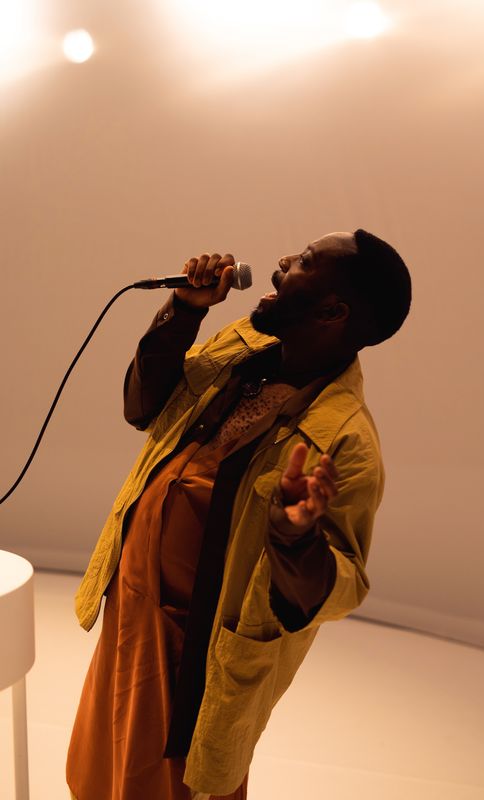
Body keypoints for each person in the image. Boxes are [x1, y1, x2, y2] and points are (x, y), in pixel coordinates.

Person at [66, 229, 411, 800]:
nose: (282, 262)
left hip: (195, 654)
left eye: (304, 261)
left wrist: (295, 538)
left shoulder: (347, 442)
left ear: (333, 311)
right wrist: (184, 311)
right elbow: (143, 407)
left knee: (173, 786)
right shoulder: (240, 347)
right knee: (98, 773)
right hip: (131, 609)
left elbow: (344, 585)